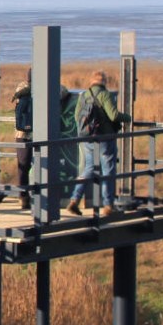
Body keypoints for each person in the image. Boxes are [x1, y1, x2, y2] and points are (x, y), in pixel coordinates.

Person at [66, 71, 130, 218]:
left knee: (88, 168)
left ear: (92, 81)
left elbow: (77, 116)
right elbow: (113, 115)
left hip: (87, 138)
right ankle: (108, 205)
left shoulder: (84, 95)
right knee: (108, 170)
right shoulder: (104, 95)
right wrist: (127, 117)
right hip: (104, 138)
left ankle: (74, 200)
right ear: (104, 81)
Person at [11, 70, 33, 209]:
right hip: (30, 134)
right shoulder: (24, 87)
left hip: (22, 135)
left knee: (23, 166)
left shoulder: (22, 87)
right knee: (24, 166)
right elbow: (63, 92)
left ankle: (23, 196)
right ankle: (24, 196)